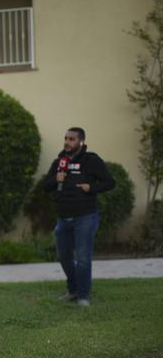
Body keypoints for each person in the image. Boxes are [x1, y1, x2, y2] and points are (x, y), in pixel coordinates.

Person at [43, 127, 115, 306]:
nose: (67, 141)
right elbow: (46, 186)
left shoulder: (91, 160)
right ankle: (73, 289)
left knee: (82, 258)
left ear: (80, 142)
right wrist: (56, 179)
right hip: (63, 217)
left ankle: (83, 296)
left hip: (85, 217)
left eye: (71, 139)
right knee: (64, 257)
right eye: (66, 138)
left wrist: (91, 188)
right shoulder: (59, 161)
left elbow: (109, 182)